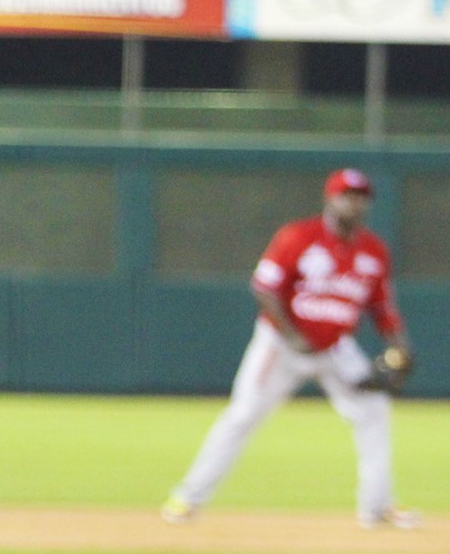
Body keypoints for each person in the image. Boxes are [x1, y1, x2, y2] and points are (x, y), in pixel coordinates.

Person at [162, 168, 419, 530]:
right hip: (280, 345)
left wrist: (400, 347)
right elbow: (264, 288)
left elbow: (382, 308)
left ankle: (376, 507)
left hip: (334, 348)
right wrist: (292, 333)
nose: (355, 202)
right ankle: (187, 497)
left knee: (373, 409)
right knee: (243, 415)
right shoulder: (298, 236)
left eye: (362, 196)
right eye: (347, 195)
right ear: (330, 198)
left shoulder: (373, 251)